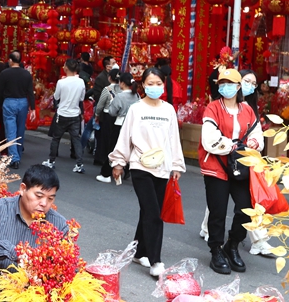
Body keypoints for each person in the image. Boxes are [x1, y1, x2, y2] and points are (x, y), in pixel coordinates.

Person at [110, 67, 186, 277]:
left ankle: (140, 251)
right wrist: (118, 162)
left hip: (162, 167)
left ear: (164, 84)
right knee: (153, 213)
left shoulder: (168, 110)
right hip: (140, 165)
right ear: (143, 85)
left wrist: (176, 165)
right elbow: (125, 136)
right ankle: (155, 261)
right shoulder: (136, 109)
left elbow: (174, 139)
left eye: (158, 84)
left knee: (148, 211)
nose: (155, 87)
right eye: (150, 84)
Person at [0, 165, 68, 302]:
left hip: (32, 297)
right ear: (23, 189)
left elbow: (66, 266)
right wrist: (15, 253)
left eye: (50, 198)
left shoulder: (59, 225)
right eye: (39, 196)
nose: (44, 203)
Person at [199, 68, 264, 275]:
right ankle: (216, 249)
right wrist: (233, 146)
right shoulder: (213, 108)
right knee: (217, 210)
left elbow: (257, 135)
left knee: (246, 208)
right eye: (222, 83)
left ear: (238, 87)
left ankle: (233, 244)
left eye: (230, 84)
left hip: (240, 166)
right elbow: (209, 138)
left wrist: (252, 144)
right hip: (216, 165)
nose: (225, 87)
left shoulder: (247, 110)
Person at [42, 59, 86, 173]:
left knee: (56, 138)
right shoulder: (81, 82)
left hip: (62, 114)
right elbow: (81, 98)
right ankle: (79, 164)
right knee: (76, 139)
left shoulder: (61, 82)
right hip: (75, 114)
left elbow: (56, 97)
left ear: (66, 68)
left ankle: (51, 161)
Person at [0, 51, 36, 170]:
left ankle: (14, 158)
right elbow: (30, 92)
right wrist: (33, 108)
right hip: (23, 102)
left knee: (10, 130)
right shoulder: (26, 74)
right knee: (20, 130)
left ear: (11, 60)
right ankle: (18, 154)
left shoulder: (4, 73)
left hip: (9, 102)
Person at [98, 72, 139, 181]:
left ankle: (106, 174)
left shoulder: (120, 96)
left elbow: (112, 112)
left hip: (119, 124)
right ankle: (127, 169)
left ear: (122, 83)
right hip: (133, 125)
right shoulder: (137, 95)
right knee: (130, 148)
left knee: (114, 149)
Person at [93, 69, 120, 171]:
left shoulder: (107, 89)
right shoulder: (123, 90)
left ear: (109, 78)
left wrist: (97, 114)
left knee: (104, 137)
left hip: (107, 115)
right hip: (118, 116)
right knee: (115, 139)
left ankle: (101, 158)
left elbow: (100, 104)